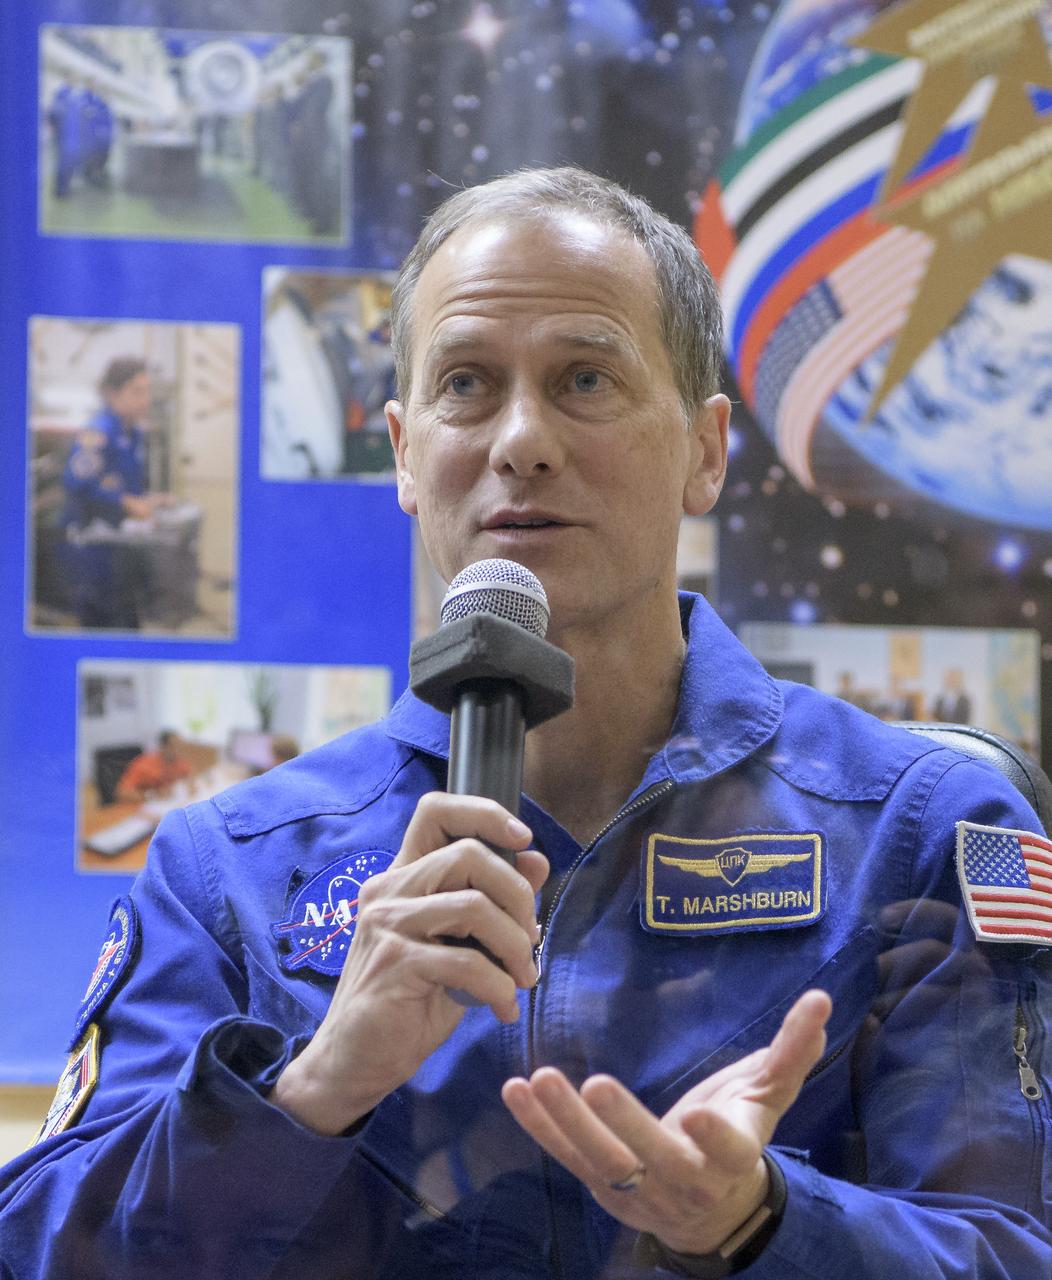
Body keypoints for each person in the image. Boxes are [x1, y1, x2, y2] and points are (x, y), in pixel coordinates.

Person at [3, 167, 1050, 1279]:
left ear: (705, 450)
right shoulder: (233, 873)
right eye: (465, 383)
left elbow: (1015, 1249)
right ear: (404, 453)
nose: (519, 440)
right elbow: (40, 1250)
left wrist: (759, 1221)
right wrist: (310, 1091)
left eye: (584, 378)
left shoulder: (919, 829)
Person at [59, 356, 172, 629]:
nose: (145, 399)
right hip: (91, 549)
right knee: (106, 624)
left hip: (118, 549)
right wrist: (125, 502)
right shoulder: (99, 432)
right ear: (112, 393)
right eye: (137, 391)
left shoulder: (131, 432)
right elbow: (76, 483)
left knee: (128, 620)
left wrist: (147, 501)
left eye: (147, 391)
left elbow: (123, 485)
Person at [114, 731, 193, 803]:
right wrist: (153, 795)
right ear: (163, 747)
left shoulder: (178, 761)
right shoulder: (144, 766)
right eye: (175, 746)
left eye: (180, 746)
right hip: (141, 807)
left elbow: (188, 777)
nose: (179, 750)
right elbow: (122, 793)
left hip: (168, 804)